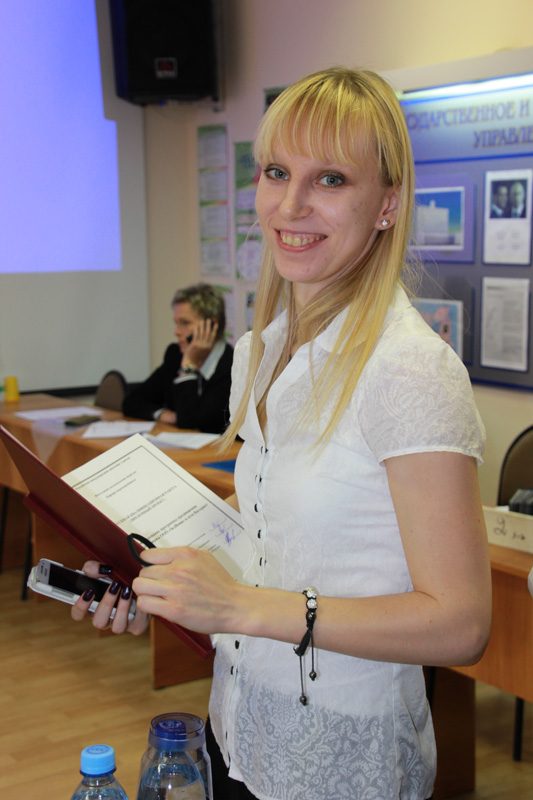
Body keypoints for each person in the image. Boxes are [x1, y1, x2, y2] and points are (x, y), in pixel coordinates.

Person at [72, 68, 491, 800]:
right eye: (275, 172)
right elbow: (271, 532)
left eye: (330, 179)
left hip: (346, 760)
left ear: (387, 204)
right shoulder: (259, 352)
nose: (290, 205)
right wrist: (165, 582)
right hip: (240, 730)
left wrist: (239, 606)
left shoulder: (409, 369)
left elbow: (459, 624)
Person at [122, 283, 233, 434]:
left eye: (185, 323)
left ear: (212, 325)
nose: (177, 332)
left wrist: (189, 365)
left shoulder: (231, 366)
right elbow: (132, 402)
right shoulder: (175, 355)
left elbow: (191, 422)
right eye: (177, 323)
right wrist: (164, 414)